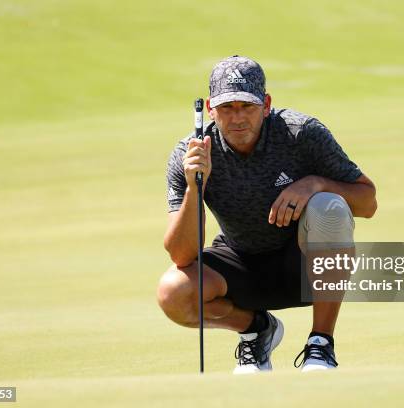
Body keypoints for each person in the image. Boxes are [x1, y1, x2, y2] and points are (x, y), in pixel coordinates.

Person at [158, 55, 377, 374]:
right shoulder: (190, 155)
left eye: (247, 106)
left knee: (328, 206)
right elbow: (182, 254)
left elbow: (367, 203)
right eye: (227, 107)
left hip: (304, 267)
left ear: (266, 104)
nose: (238, 118)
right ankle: (258, 329)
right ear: (210, 109)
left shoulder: (300, 133)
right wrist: (195, 186)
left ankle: (320, 343)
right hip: (240, 265)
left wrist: (315, 183)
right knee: (173, 293)